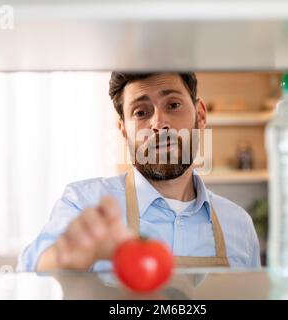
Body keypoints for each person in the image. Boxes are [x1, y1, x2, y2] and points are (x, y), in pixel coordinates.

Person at [17, 72, 261, 272]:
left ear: (200, 115)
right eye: (141, 112)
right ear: (123, 131)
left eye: (173, 105)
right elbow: (30, 271)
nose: (158, 123)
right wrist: (64, 256)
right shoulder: (85, 203)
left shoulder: (239, 225)